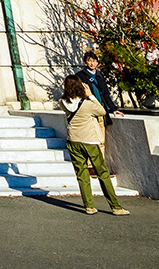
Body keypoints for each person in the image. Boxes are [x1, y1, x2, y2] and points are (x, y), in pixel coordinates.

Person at [60, 74, 128, 216]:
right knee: (102, 173)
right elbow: (101, 111)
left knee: (82, 174)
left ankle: (89, 206)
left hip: (73, 141)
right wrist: (90, 95)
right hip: (89, 140)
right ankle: (115, 206)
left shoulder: (62, 102)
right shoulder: (87, 104)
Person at [76, 51, 123, 123]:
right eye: (89, 61)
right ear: (85, 62)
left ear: (97, 63)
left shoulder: (100, 75)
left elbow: (105, 94)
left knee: (101, 132)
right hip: (89, 112)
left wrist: (113, 109)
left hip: (100, 109)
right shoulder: (80, 76)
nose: (92, 63)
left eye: (94, 61)